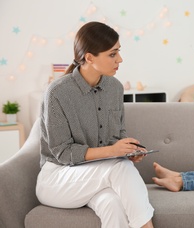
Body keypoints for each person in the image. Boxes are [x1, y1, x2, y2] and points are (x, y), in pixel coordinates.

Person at [36, 21, 154, 228]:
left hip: (96, 175)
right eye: (112, 54)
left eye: (119, 52)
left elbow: (117, 136)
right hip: (58, 179)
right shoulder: (57, 93)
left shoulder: (115, 88)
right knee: (120, 167)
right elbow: (63, 153)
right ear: (89, 57)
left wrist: (127, 149)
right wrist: (113, 152)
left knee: (113, 204)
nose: (120, 59)